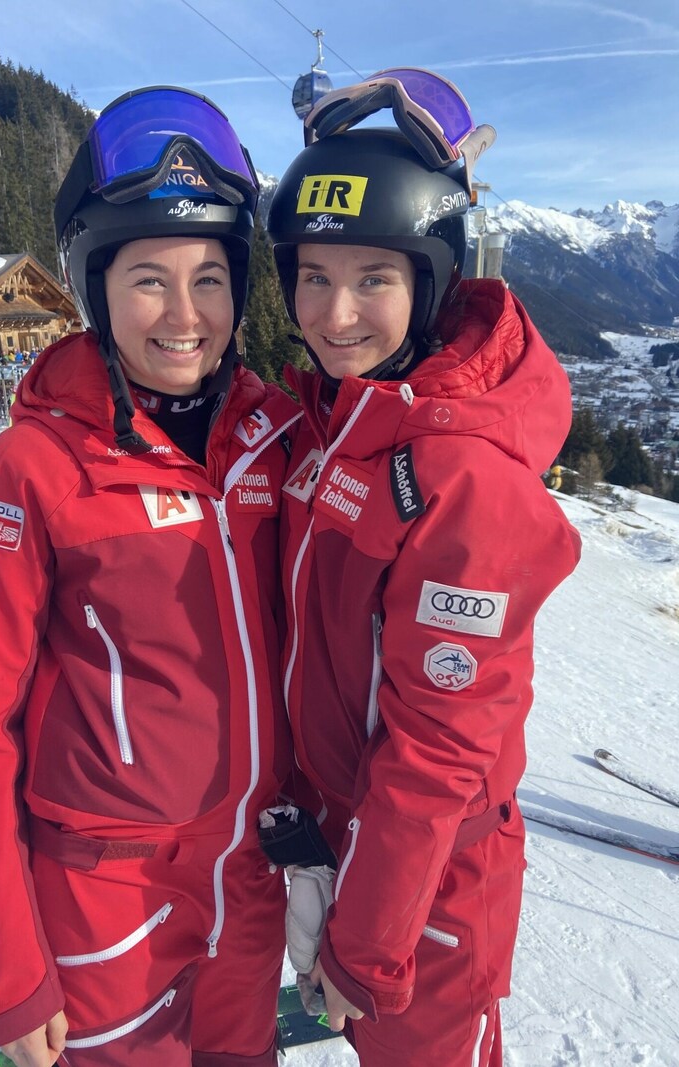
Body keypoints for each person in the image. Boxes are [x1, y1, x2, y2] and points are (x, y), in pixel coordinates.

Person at [0, 85, 300, 1067]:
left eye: (210, 279)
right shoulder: (25, 475)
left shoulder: (273, 439)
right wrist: (4, 973)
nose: (185, 315)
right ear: (93, 287)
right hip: (108, 897)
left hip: (249, 881)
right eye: (147, 278)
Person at [267, 68, 582, 1066]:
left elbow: (440, 750)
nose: (334, 313)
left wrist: (363, 949)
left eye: (372, 279)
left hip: (429, 890)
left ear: (431, 282)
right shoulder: (335, 422)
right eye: (311, 276)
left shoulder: (462, 482)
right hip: (340, 854)